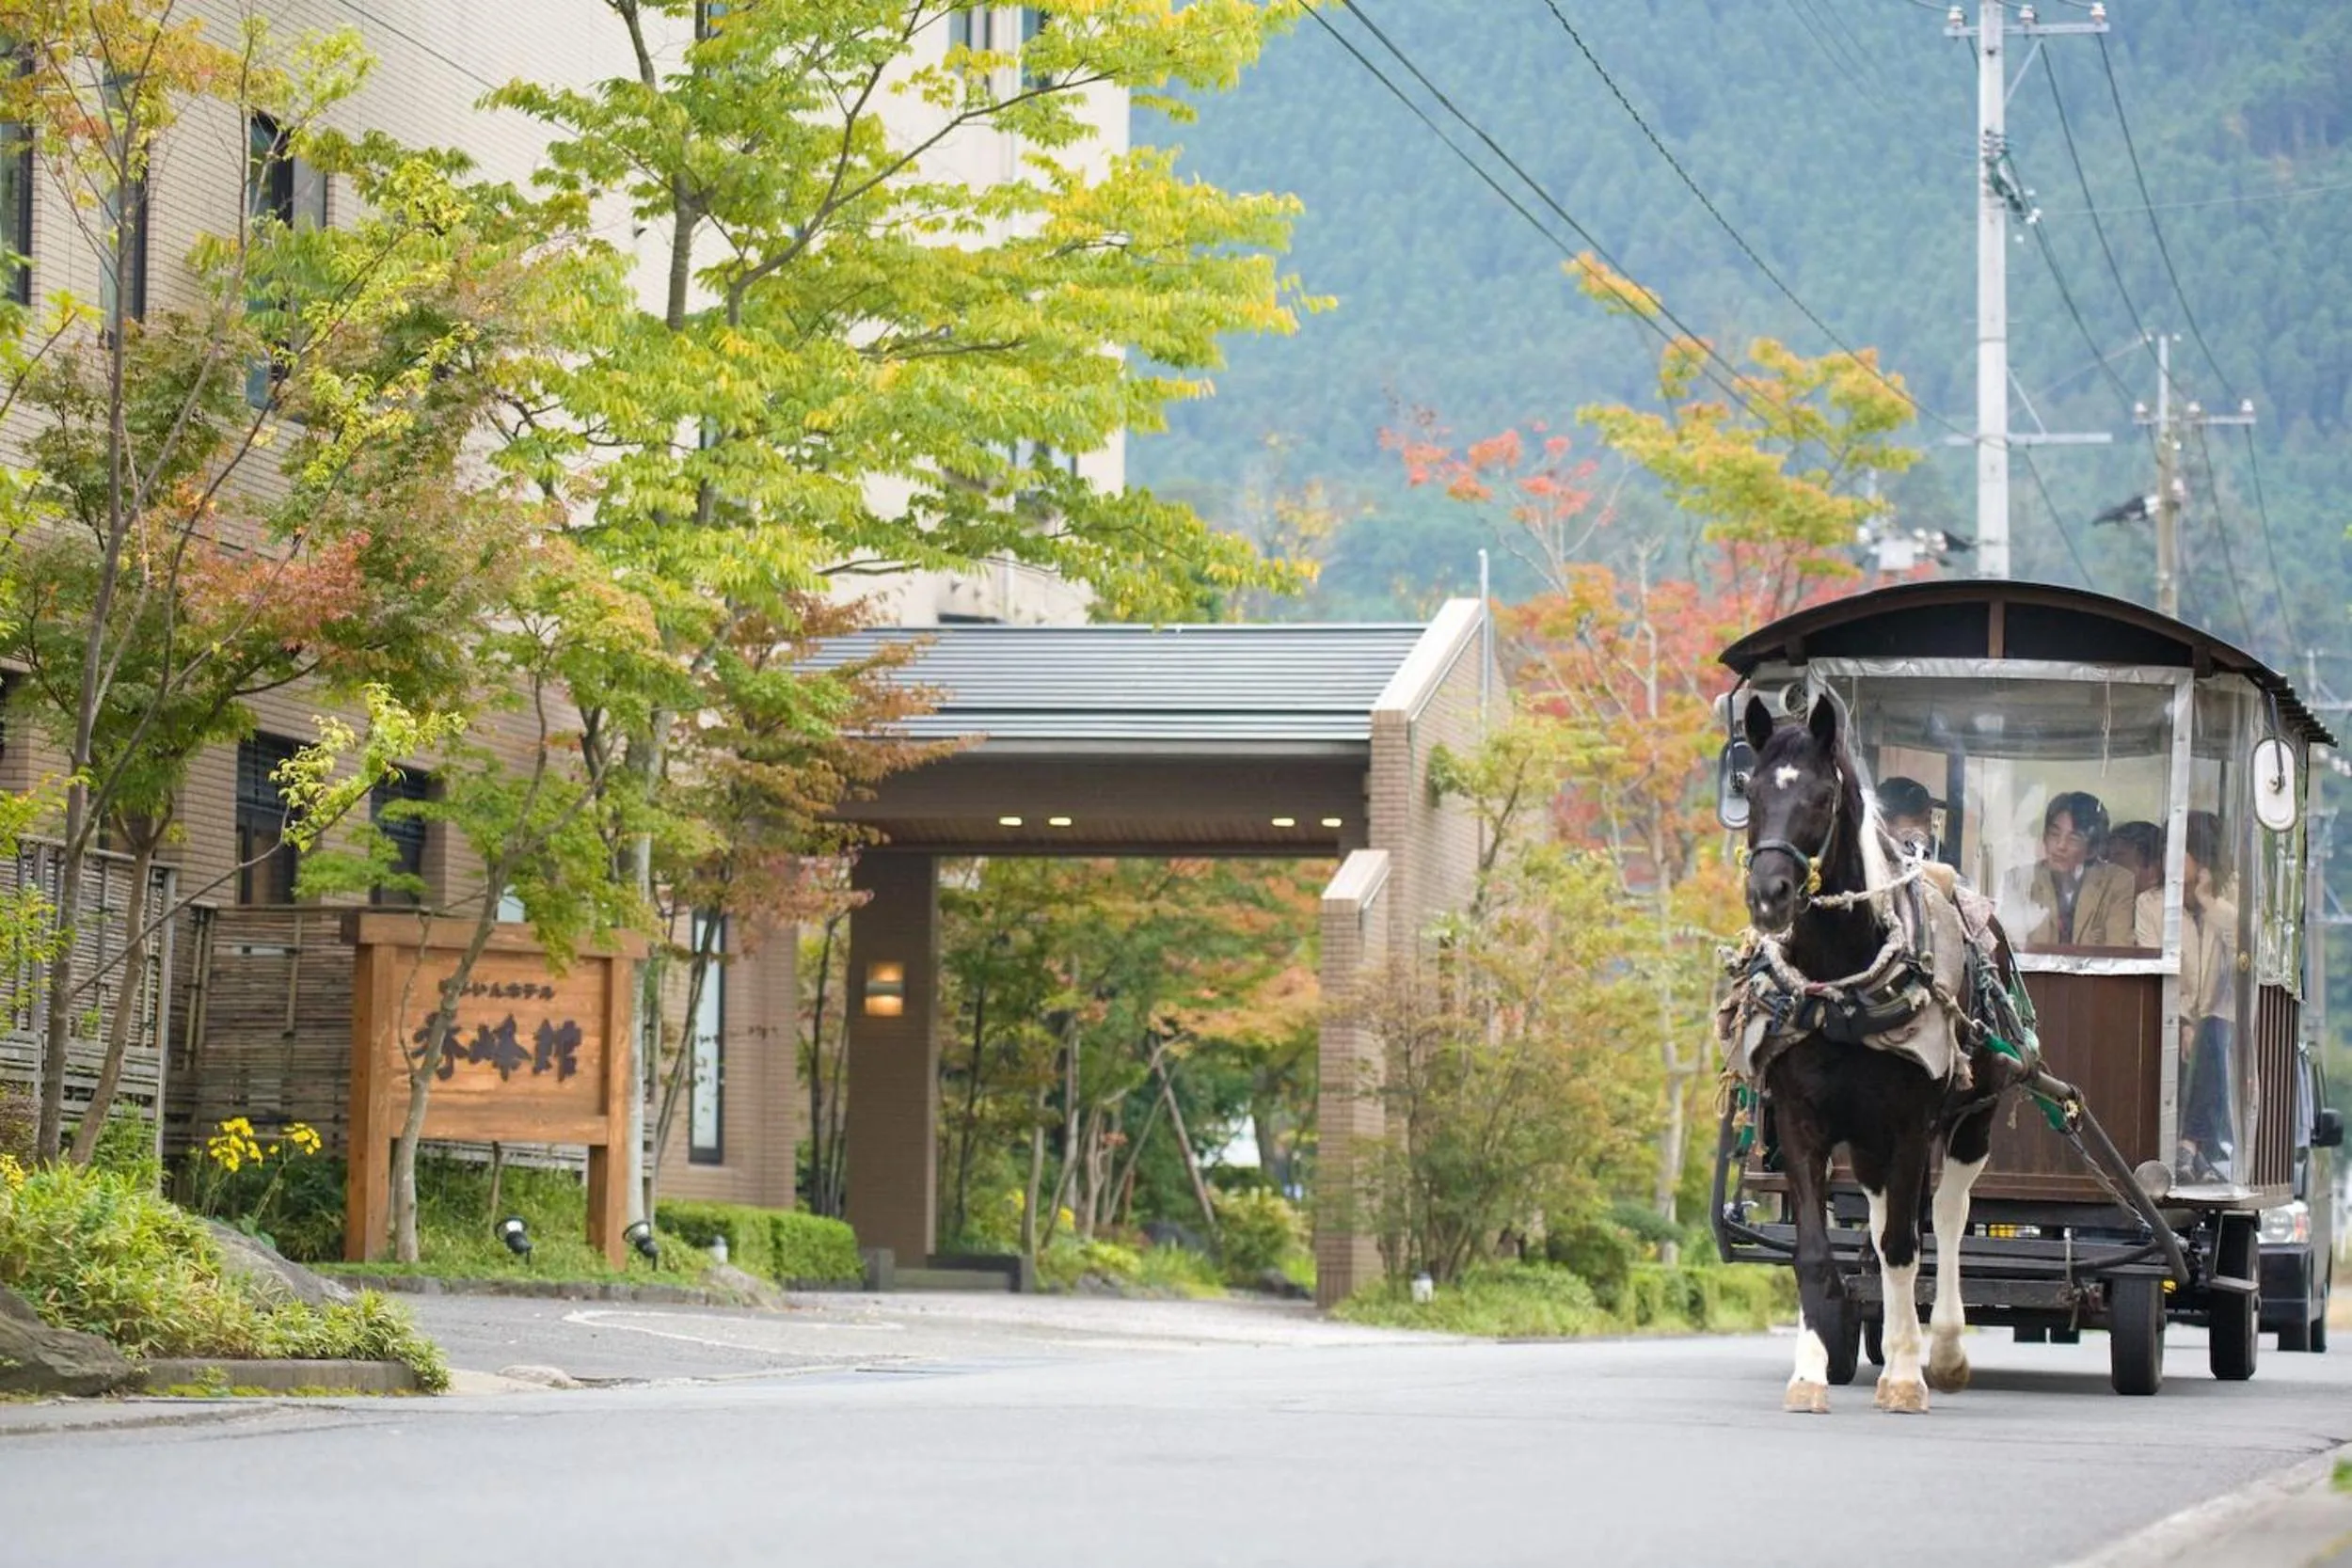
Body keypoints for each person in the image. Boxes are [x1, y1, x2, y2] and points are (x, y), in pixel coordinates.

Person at [2177, 810, 2240, 1181]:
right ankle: (2196, 1151)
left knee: (2215, 1031)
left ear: (2200, 857)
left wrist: (2207, 901)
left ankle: (2189, 1145)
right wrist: (2184, 1022)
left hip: (2216, 1020)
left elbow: (2247, 948)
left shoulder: (2230, 894)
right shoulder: (2156, 902)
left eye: (2180, 851)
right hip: (2175, 1017)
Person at [2002, 790, 2137, 948]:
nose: (2060, 846)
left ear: (2092, 849)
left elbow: (2118, 951)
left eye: (2073, 839)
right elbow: (2010, 951)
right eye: (2054, 834)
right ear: (2044, 838)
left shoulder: (2117, 882)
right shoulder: (2018, 881)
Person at [2104, 819, 2164, 949]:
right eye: (2108, 860)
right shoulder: (2107, 909)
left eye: (2118, 860)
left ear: (2153, 870)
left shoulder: (2166, 920)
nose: (2109, 868)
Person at [1876, 776, 1937, 860]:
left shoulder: (1937, 851)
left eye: (1927, 820)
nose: (1925, 830)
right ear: (1885, 824)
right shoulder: (1868, 860)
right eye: (1916, 822)